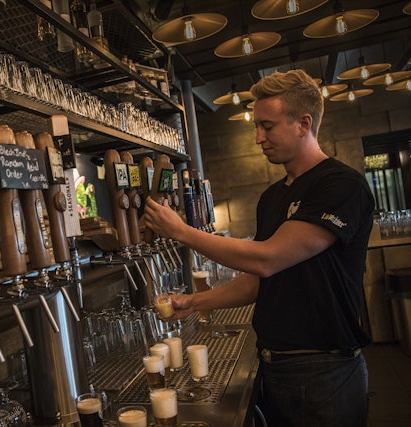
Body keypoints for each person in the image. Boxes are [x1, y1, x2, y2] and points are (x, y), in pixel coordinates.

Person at [143, 69, 374, 427]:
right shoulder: (273, 197)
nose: (258, 138)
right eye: (256, 127)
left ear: (303, 123)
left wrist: (183, 232)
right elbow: (257, 281)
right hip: (275, 366)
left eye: (267, 126)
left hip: (325, 371)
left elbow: (269, 259)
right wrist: (194, 302)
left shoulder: (341, 185)